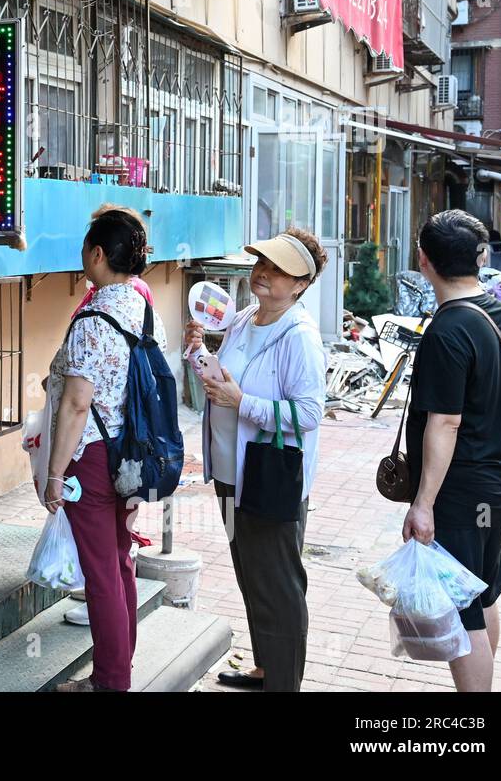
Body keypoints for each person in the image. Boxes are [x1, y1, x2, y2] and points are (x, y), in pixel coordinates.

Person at [185, 227, 327, 692]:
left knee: (279, 586)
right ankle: (266, 668)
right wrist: (198, 352)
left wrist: (241, 402)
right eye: (261, 263)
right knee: (251, 575)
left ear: (301, 283)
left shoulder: (299, 336)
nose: (263, 273)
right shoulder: (246, 317)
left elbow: (308, 414)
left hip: (269, 479)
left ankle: (283, 683)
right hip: (230, 476)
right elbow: (224, 378)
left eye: (278, 269)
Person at [404, 209, 501, 692]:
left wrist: (423, 503)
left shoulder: (448, 330)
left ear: (424, 259)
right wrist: (497, 433)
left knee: (463, 611)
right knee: (480, 589)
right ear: (480, 257)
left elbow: (445, 421)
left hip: (463, 492)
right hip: (500, 482)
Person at [44, 208, 166, 692]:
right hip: (129, 454)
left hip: (92, 459)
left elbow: (76, 404)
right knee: (118, 563)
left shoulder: (93, 316)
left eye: (84, 249)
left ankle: (110, 683)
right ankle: (119, 668)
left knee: (100, 575)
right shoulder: (141, 304)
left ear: (97, 254)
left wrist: (55, 474)